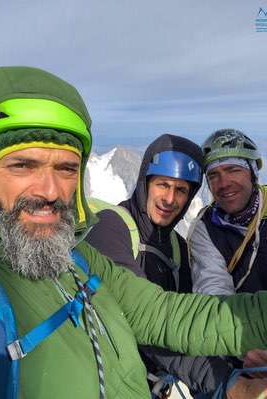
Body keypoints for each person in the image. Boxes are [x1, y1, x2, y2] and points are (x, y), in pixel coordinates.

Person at [0, 68, 267, 399]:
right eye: (23, 165)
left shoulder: (79, 258)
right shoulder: (111, 230)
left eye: (66, 169)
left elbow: (163, 315)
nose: (50, 191)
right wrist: (227, 383)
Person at [86, 134, 235, 397]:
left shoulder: (177, 246)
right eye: (162, 185)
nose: (169, 199)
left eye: (181, 190)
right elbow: (146, 320)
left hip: (157, 384)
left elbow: (190, 319)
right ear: (145, 183)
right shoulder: (110, 228)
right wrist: (225, 382)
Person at [188, 128, 267, 385]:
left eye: (233, 170)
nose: (224, 183)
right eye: (214, 175)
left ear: (253, 172)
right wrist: (244, 346)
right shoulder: (205, 229)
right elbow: (214, 292)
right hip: (245, 351)